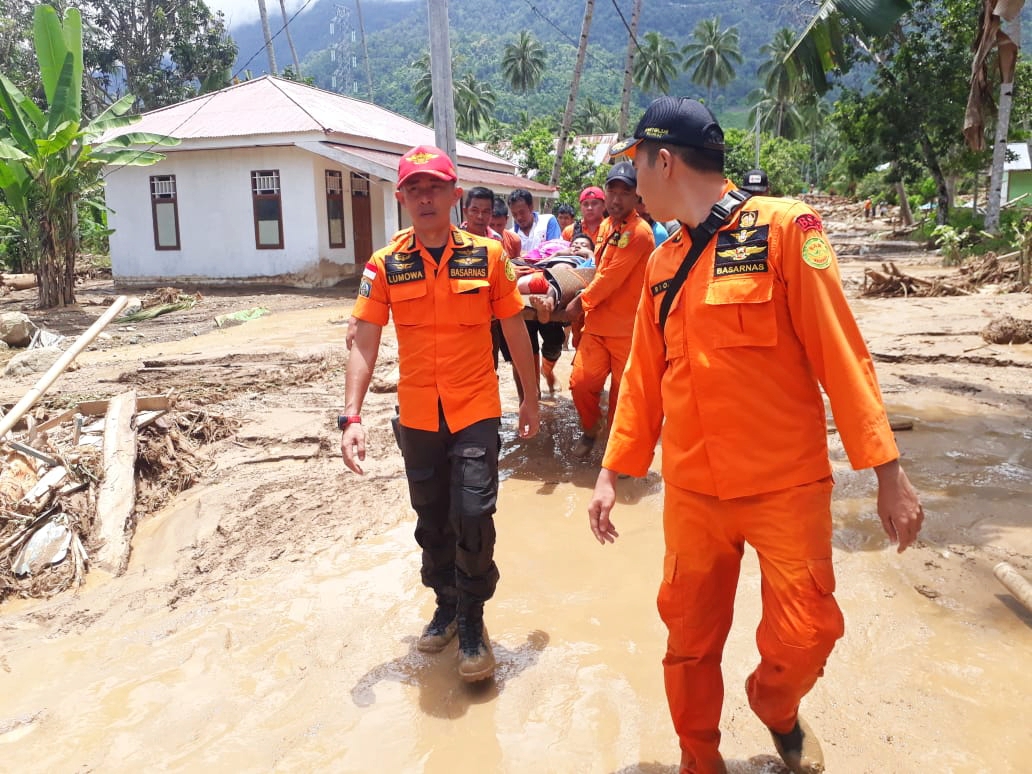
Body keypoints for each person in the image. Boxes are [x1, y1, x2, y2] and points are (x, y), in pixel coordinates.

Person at [587, 98, 924, 774]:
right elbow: (644, 378)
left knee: (809, 631)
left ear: (663, 161)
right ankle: (699, 760)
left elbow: (839, 351)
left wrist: (887, 471)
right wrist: (610, 472)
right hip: (692, 491)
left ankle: (774, 703)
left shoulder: (786, 230)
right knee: (688, 641)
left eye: (637, 166)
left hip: (784, 485)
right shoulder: (662, 262)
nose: (633, 184)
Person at [341, 145, 540, 684]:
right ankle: (446, 606)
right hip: (419, 417)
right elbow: (364, 340)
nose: (425, 197)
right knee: (431, 521)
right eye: (415, 188)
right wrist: (352, 416)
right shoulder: (385, 263)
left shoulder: (489, 256)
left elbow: (514, 327)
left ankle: (473, 620)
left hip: (475, 409)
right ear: (401, 196)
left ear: (455, 195)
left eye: (435, 187)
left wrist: (530, 397)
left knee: (473, 514)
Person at [565, 161, 654, 458]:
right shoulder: (605, 226)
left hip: (626, 331)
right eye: (612, 192)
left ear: (636, 196)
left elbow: (610, 278)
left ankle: (619, 456)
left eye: (624, 193)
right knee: (580, 383)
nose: (617, 199)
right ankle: (591, 429)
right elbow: (597, 269)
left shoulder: (640, 233)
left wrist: (579, 303)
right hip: (596, 325)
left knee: (622, 396)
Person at [508, 188, 560, 254]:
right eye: (514, 214)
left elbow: (553, 251)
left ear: (531, 207)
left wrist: (524, 254)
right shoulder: (510, 235)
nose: (519, 217)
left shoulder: (548, 221)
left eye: (522, 212)